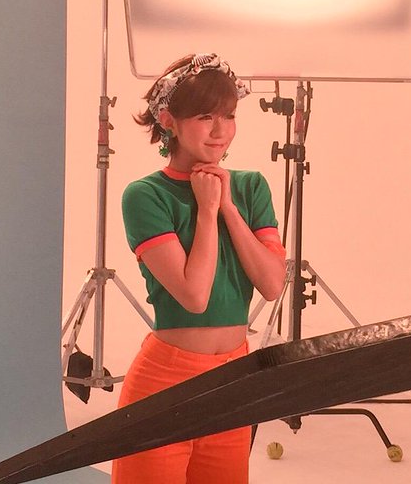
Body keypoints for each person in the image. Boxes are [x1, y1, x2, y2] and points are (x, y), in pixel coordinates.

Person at [112, 52, 286, 484]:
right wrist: (207, 211)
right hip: (165, 383)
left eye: (229, 115)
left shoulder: (250, 187)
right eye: (205, 116)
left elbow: (272, 284)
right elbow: (194, 296)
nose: (220, 130)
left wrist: (228, 207)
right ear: (168, 120)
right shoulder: (145, 195)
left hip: (232, 381)